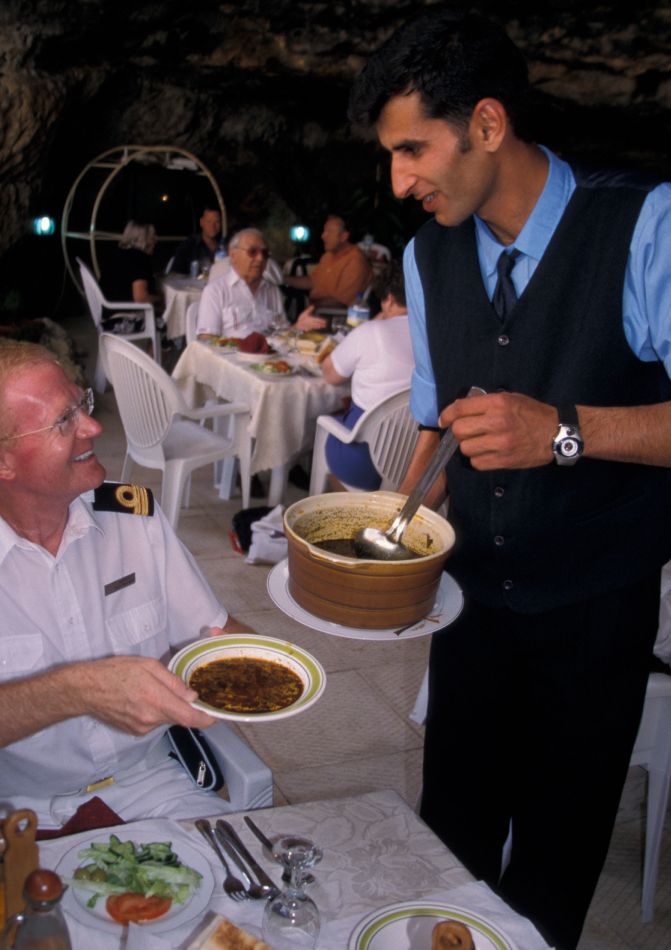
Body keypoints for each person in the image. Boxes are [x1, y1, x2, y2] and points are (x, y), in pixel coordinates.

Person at [348, 8, 671, 950]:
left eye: (414, 150)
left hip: (594, 611)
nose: (399, 182)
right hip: (470, 608)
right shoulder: (427, 253)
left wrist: (563, 432)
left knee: (552, 873)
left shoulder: (644, 224)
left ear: (488, 124)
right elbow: (441, 431)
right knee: (448, 842)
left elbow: (560, 431)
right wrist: (384, 540)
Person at [0, 340, 253, 840]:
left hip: (153, 788)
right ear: (0, 461)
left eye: (82, 405)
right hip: (9, 818)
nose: (93, 427)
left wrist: (292, 651)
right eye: (63, 420)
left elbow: (217, 634)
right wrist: (75, 691)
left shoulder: (133, 519)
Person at [320, 260, 415, 491]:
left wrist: (376, 321)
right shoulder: (439, 335)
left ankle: (346, 508)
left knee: (327, 425)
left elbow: (330, 374)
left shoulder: (371, 331)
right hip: (417, 460)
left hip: (366, 461)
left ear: (389, 299)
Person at [197, 229, 326, 339]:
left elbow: (281, 335)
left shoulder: (271, 290)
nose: (260, 259)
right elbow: (207, 342)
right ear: (233, 254)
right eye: (252, 252)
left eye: (264, 253)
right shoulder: (216, 291)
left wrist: (297, 327)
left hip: (269, 361)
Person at [283, 215, 373, 308]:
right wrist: (282, 279)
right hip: (317, 310)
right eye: (324, 231)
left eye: (329, 232)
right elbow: (313, 281)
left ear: (343, 236)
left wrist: (311, 306)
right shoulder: (329, 255)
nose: (322, 236)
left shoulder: (356, 262)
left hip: (331, 316)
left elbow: (339, 302)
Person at [99, 221, 163, 310]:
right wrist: (162, 298)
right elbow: (141, 298)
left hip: (108, 311)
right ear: (144, 239)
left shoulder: (116, 255)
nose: (155, 241)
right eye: (152, 237)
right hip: (124, 315)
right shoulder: (139, 259)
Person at [170, 206, 223, 275]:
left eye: (217, 222)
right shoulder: (187, 246)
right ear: (201, 222)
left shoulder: (226, 245)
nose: (212, 226)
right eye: (208, 222)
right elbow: (174, 275)